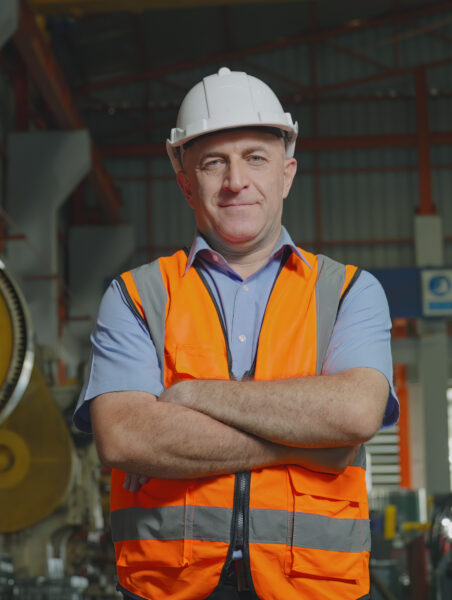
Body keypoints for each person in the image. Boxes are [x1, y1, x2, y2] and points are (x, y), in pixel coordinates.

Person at [73, 67, 399, 600]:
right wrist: (310, 446)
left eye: (255, 158)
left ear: (286, 173)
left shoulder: (348, 292)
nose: (235, 181)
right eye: (212, 162)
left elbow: (356, 413)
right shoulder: (137, 296)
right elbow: (124, 436)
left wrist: (194, 395)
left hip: (315, 587)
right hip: (170, 587)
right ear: (185, 181)